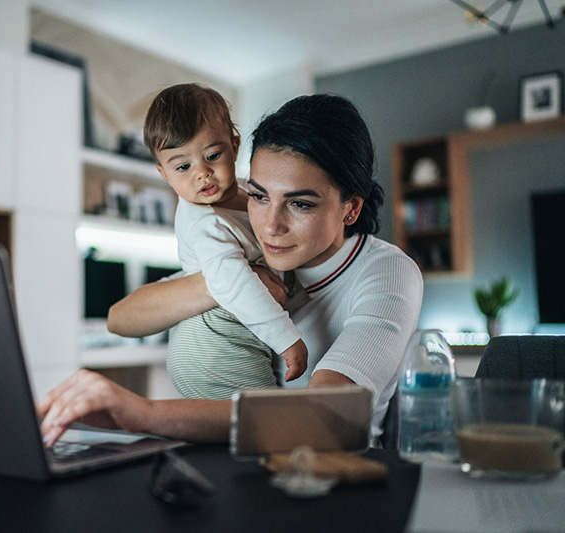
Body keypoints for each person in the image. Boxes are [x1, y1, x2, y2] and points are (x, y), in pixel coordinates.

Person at [39, 93, 423, 447]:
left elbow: (322, 415)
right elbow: (120, 318)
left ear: (350, 208)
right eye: (258, 195)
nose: (270, 225)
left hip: (328, 481)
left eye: (300, 204)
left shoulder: (387, 273)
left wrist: (144, 414)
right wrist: (225, 284)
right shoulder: (243, 254)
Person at [143, 83, 307, 399]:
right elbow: (234, 284)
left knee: (252, 433)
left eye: (213, 155)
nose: (202, 173)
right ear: (164, 174)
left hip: (234, 336)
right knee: (266, 423)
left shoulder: (251, 192)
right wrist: (286, 339)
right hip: (215, 346)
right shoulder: (204, 222)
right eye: (183, 166)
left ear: (234, 146)